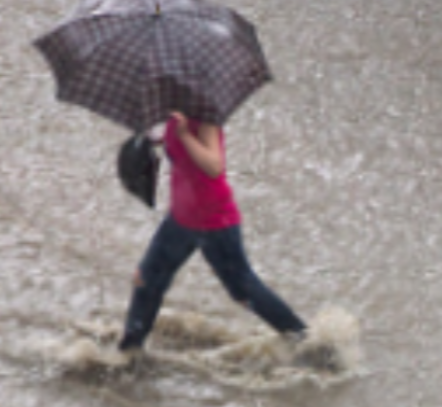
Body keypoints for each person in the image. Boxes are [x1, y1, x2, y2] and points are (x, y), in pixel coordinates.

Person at [119, 112, 307, 353]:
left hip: (213, 220)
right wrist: (154, 139)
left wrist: (185, 135)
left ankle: (303, 339)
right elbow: (178, 150)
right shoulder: (176, 112)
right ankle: (129, 351)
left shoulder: (204, 114)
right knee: (147, 280)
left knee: (242, 289)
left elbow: (214, 165)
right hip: (181, 218)